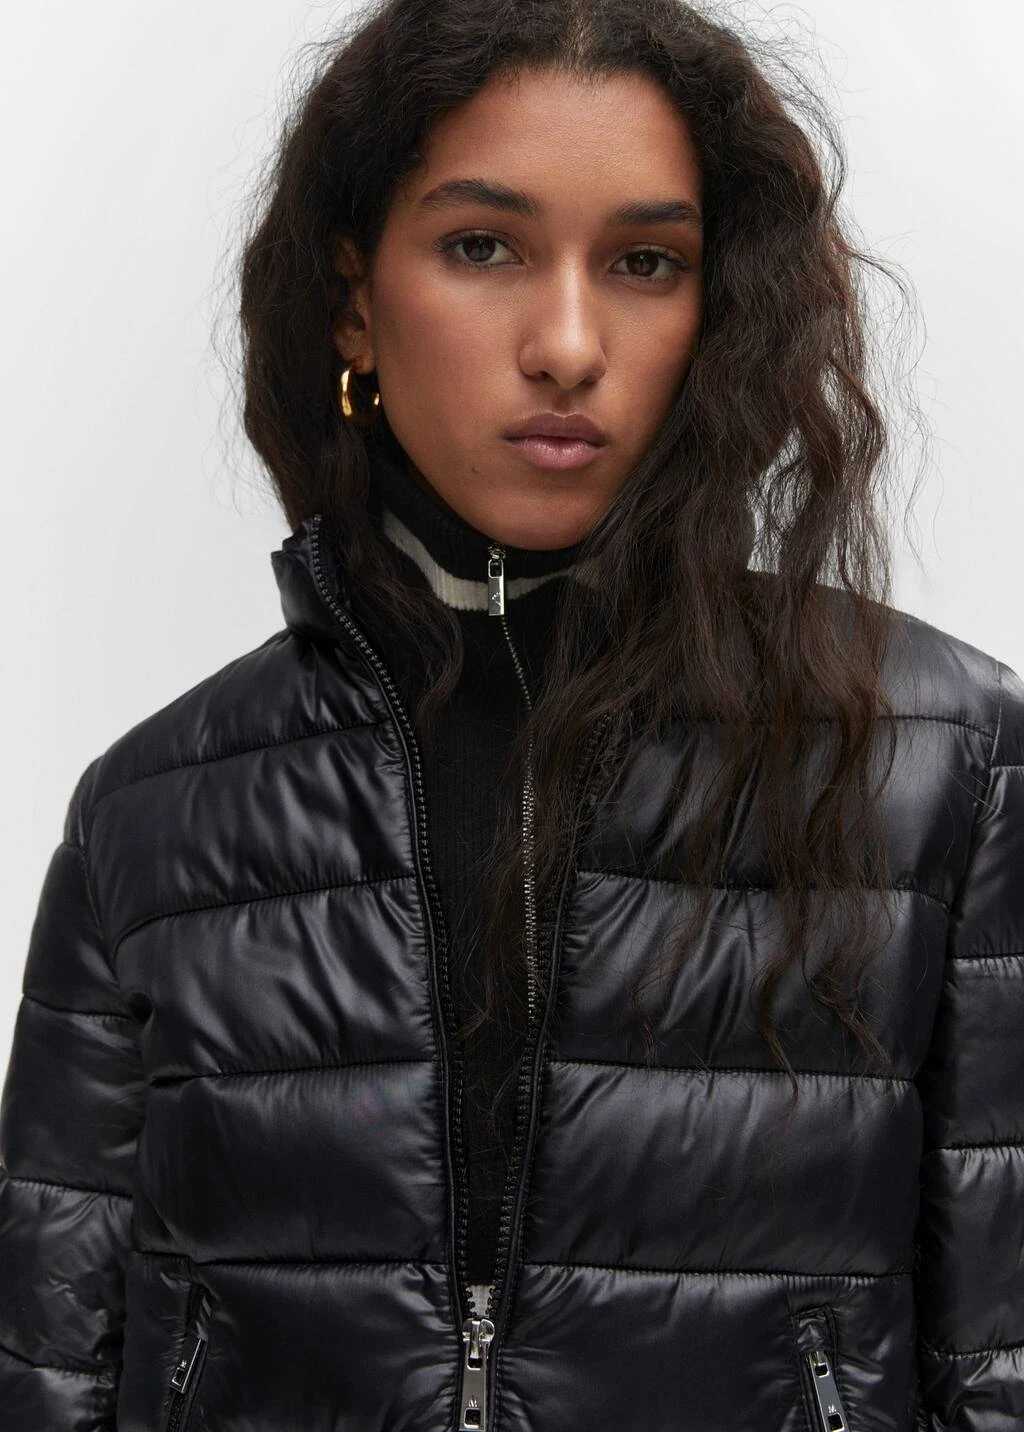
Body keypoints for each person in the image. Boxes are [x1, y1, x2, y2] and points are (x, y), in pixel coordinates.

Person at [1, 0, 1021, 1428]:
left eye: (647, 263)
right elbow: (49, 1370)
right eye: (483, 246)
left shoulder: (940, 766)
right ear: (355, 303)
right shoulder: (151, 815)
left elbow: (1003, 1359)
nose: (567, 343)